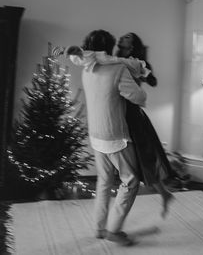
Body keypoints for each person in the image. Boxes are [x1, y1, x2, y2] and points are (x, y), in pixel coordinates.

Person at [53, 30, 146, 246]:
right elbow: (139, 97)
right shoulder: (117, 68)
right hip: (115, 136)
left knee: (104, 181)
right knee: (130, 181)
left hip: (96, 135)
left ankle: (99, 228)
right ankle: (113, 230)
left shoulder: (86, 67)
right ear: (110, 46)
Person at [116, 33, 174, 217]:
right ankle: (164, 194)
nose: (122, 38)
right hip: (118, 111)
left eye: (126, 38)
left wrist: (144, 71)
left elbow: (153, 81)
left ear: (132, 45)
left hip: (132, 114)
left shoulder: (137, 62)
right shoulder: (115, 59)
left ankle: (163, 193)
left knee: (145, 156)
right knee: (138, 157)